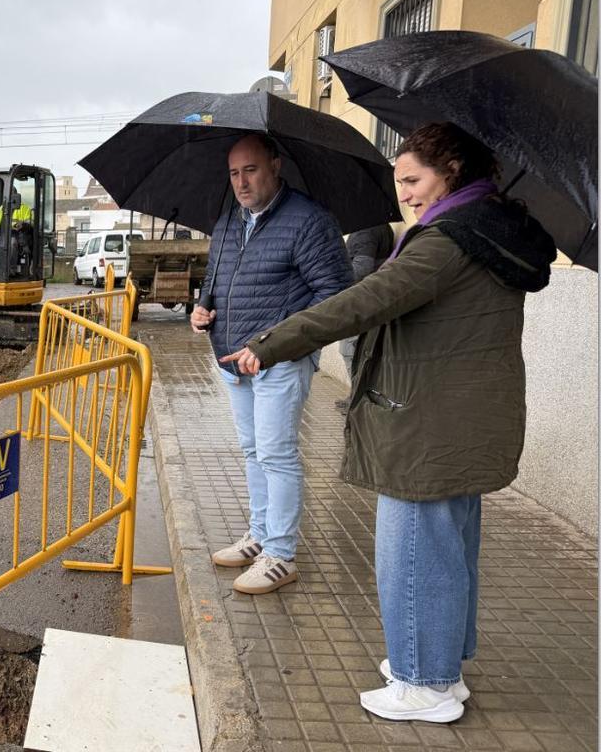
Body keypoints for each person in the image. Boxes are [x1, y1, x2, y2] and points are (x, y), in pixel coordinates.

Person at [218, 122, 556, 723]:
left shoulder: (448, 239)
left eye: (413, 180)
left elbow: (365, 300)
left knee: (413, 554)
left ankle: (423, 683)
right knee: (449, 552)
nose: (404, 194)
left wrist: (270, 343)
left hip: (428, 423)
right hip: (457, 416)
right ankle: (441, 669)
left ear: (451, 173)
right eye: (399, 181)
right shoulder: (486, 227)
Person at [189, 133, 352, 594]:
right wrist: (202, 309)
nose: (241, 182)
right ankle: (259, 536)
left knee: (277, 455)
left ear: (275, 166)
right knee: (253, 451)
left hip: (280, 361)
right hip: (233, 360)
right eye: (234, 173)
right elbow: (215, 278)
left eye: (251, 170)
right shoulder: (228, 222)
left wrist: (275, 343)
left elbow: (335, 295)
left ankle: (280, 554)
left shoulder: (308, 221)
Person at [335, 223, 394, 413]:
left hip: (361, 302)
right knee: (357, 352)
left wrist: (334, 280)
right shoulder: (379, 226)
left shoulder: (365, 230)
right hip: (371, 300)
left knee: (350, 350)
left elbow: (362, 267)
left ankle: (358, 400)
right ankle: (357, 396)